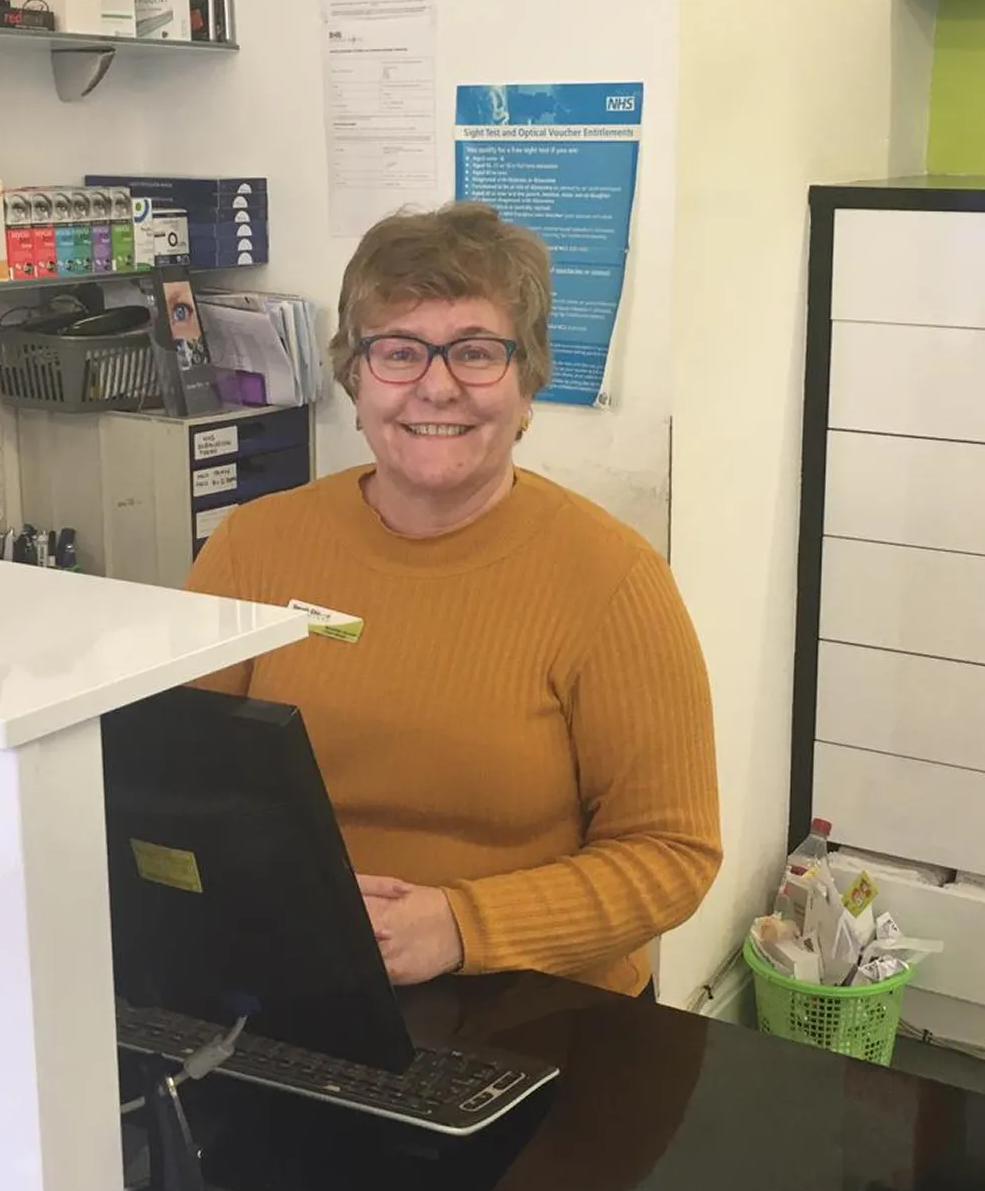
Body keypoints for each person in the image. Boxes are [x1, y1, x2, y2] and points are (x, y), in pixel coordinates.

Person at [185, 202, 721, 998]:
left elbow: (672, 854)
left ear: (527, 380)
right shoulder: (252, 546)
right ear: (356, 377)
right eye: (399, 352)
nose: (436, 388)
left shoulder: (613, 581)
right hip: (294, 975)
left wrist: (463, 927)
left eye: (475, 352)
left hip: (537, 1007)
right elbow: (171, 780)